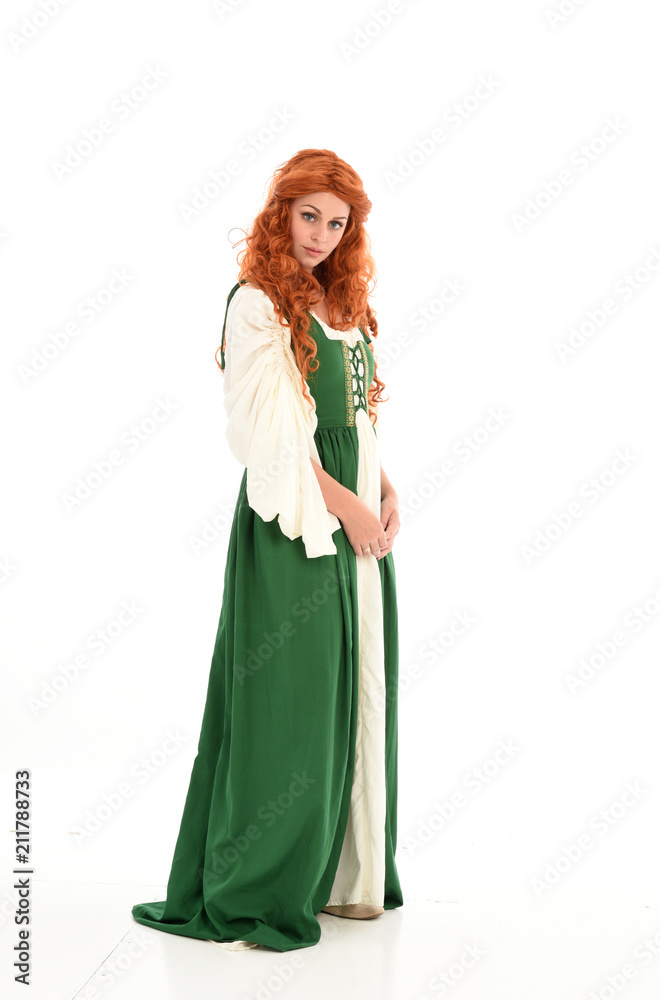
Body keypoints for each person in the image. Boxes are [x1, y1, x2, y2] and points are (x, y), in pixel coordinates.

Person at [131, 148, 403, 952]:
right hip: (298, 519)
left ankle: (345, 876)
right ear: (279, 211)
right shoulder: (256, 302)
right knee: (292, 699)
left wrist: (386, 488)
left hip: (354, 515)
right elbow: (271, 438)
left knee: (355, 689)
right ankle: (264, 884)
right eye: (308, 214)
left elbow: (353, 421)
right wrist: (347, 503)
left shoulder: (339, 301)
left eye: (338, 220)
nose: (320, 233)